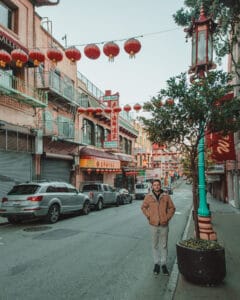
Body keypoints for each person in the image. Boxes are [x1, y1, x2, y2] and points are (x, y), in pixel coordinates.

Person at [141, 179, 175, 276]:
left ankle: (163, 264)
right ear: (152, 186)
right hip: (153, 225)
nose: (156, 186)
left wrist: (167, 218)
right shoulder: (148, 197)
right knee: (155, 245)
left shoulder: (166, 196)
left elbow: (172, 208)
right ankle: (156, 263)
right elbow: (143, 207)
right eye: (155, 185)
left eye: (158, 185)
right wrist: (149, 216)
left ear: (160, 186)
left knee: (164, 245)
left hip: (164, 225)